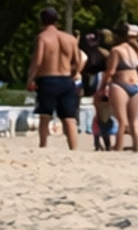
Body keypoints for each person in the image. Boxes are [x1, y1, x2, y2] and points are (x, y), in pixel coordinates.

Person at [27, 8, 84, 150]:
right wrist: (74, 73)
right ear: (57, 21)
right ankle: (73, 148)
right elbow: (78, 60)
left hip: (47, 78)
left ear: (41, 21)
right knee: (69, 118)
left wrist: (30, 78)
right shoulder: (70, 38)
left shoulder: (43, 37)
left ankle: (43, 145)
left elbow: (38, 61)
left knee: (45, 115)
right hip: (66, 79)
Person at [99, 23, 138, 153]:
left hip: (120, 83)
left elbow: (110, 71)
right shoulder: (135, 49)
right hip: (136, 84)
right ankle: (137, 148)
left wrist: (102, 86)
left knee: (122, 121)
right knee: (134, 122)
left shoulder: (116, 50)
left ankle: (118, 148)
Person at [79, 27, 114, 150]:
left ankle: (98, 142)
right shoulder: (106, 53)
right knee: (104, 115)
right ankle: (106, 143)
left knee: (99, 115)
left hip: (94, 81)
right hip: (103, 81)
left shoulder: (88, 52)